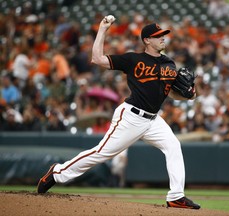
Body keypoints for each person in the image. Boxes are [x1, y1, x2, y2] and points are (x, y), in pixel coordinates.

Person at [37, 16, 200, 210]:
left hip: (153, 120)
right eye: (158, 36)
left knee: (173, 145)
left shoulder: (169, 64)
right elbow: (97, 59)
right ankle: (57, 172)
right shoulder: (133, 59)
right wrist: (102, 30)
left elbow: (171, 93)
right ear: (147, 40)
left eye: (163, 35)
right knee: (101, 153)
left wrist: (189, 96)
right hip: (131, 117)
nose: (163, 38)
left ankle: (176, 196)